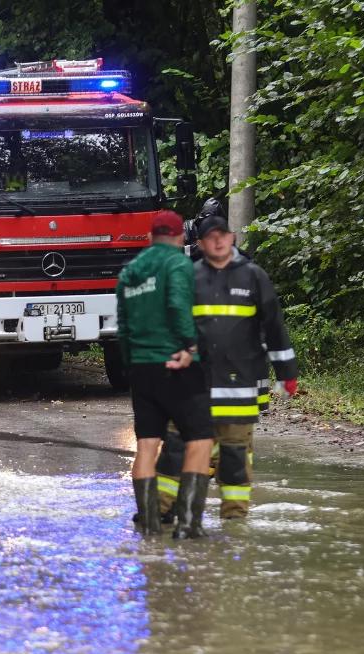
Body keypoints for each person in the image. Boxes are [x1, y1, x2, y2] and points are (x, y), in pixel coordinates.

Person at [156, 214, 299, 520]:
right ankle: (160, 512)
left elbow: (274, 327)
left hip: (239, 386)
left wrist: (287, 374)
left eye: (223, 235)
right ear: (201, 242)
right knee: (175, 450)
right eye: (211, 236)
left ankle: (234, 521)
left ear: (232, 238)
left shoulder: (254, 277)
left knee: (235, 455)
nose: (218, 241)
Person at [116, 210, 215, 539]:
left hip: (141, 369)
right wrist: (190, 345)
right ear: (179, 237)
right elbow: (176, 304)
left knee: (146, 446)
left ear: (149, 236)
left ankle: (149, 524)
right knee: (199, 442)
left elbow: (124, 327)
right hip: (175, 364)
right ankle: (187, 525)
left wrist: (133, 365)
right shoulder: (177, 263)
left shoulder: (129, 272)